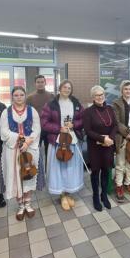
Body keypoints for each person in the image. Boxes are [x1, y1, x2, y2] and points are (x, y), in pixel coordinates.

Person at [41, 80, 85, 211]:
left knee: (70, 168)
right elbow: (44, 122)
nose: (67, 89)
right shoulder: (51, 104)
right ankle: (61, 195)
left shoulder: (76, 103)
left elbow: (83, 119)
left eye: (69, 88)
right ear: (59, 88)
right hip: (58, 141)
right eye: (64, 87)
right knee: (59, 169)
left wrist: (74, 125)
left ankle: (68, 193)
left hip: (72, 140)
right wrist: (59, 128)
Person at [0, 86, 41, 220]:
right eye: (16, 95)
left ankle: (28, 203)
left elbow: (37, 129)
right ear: (12, 97)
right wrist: (18, 138)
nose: (19, 97)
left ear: (25, 96)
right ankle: (20, 205)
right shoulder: (6, 112)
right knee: (16, 175)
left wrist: (28, 142)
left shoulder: (32, 111)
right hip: (12, 150)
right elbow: (4, 132)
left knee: (28, 174)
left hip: (29, 149)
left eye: (21, 95)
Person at [83, 86, 117, 211]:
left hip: (108, 146)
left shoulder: (110, 109)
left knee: (106, 171)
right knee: (96, 172)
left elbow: (115, 125)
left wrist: (111, 139)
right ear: (93, 97)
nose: (100, 97)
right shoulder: (88, 112)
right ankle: (96, 197)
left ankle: (104, 195)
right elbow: (88, 131)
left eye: (102, 94)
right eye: (97, 95)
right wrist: (103, 139)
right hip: (95, 147)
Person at [27, 75, 55, 156]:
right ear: (35, 84)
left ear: (45, 83)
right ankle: (37, 168)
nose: (40, 84)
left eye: (42, 82)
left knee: (49, 152)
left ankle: (47, 168)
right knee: (34, 151)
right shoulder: (29, 98)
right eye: (38, 82)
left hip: (48, 129)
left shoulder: (51, 96)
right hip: (35, 129)